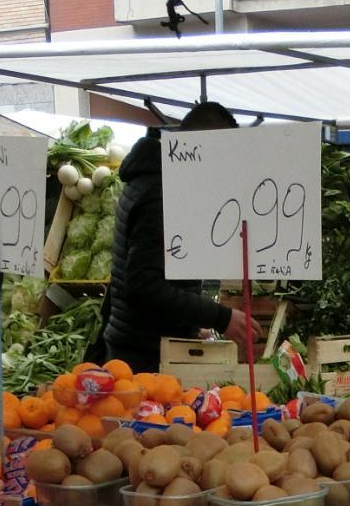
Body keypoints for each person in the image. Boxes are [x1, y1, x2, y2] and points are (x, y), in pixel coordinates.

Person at [100, 102, 252, 372]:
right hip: (142, 357)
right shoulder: (160, 193)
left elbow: (160, 270)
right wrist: (221, 317)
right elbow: (143, 285)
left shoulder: (155, 180)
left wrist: (189, 325)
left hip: (145, 344)